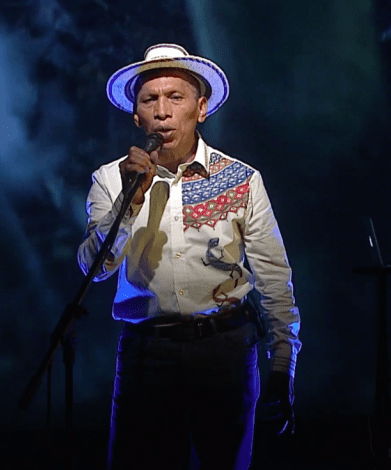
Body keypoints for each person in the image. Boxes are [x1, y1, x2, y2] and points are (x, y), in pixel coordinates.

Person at [78, 44, 301, 469]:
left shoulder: (241, 179)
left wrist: (282, 364)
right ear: (136, 115)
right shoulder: (110, 179)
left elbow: (274, 276)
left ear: (201, 109)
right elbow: (93, 268)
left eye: (175, 97)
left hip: (226, 350)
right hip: (146, 352)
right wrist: (130, 200)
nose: (162, 112)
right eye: (150, 99)